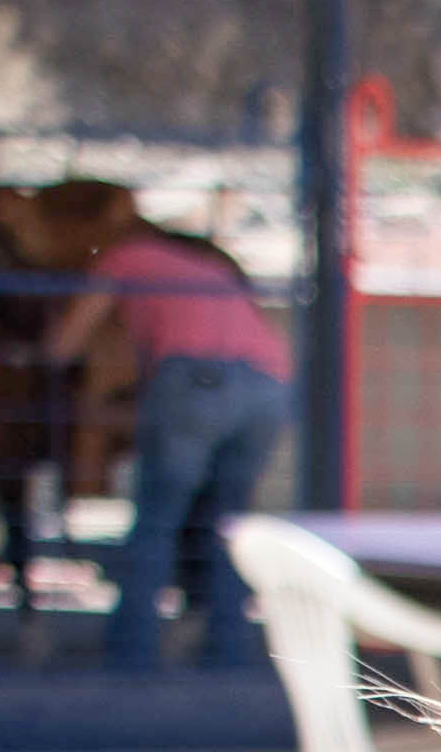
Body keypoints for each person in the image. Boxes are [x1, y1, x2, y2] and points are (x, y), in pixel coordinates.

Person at [56, 203, 290, 672]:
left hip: (196, 382)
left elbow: (66, 341)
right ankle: (228, 655)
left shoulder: (125, 257)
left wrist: (38, 360)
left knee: (158, 521)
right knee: (230, 528)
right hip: (271, 385)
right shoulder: (205, 266)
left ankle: (131, 659)